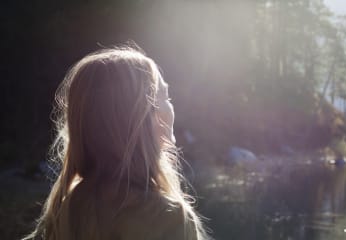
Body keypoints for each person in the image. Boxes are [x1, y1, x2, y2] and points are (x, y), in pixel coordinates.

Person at [23, 46, 209, 240]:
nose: (171, 107)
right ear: (145, 117)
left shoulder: (66, 207)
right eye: (166, 97)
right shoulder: (168, 216)